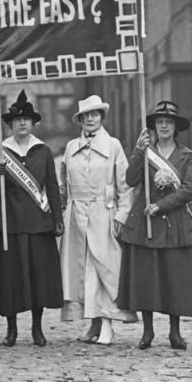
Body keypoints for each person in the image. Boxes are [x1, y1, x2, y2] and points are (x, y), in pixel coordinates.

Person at [117, 101, 192, 350]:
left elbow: (189, 189)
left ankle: (175, 332)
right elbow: (131, 179)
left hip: (174, 223)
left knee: (174, 278)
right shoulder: (145, 152)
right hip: (144, 220)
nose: (164, 125)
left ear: (175, 126)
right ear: (154, 127)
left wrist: (161, 205)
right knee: (146, 277)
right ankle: (147, 332)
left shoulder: (186, 156)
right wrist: (137, 151)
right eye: (159, 122)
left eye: (168, 122)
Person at [59, 95, 138, 346]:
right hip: (76, 215)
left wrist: (121, 215)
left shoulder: (113, 145)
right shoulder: (71, 147)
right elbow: (63, 184)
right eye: (86, 115)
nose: (90, 119)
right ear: (80, 120)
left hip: (104, 214)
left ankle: (107, 324)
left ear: (102, 118)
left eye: (95, 114)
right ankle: (93, 322)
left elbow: (126, 186)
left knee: (105, 269)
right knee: (82, 271)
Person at [0, 90, 63, 347]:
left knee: (37, 276)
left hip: (37, 222)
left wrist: (57, 217)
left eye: (27, 120)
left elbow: (51, 186)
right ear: (10, 124)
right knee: (10, 277)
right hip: (10, 222)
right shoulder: (0, 151)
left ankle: (37, 328)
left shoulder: (43, 151)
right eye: (17, 120)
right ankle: (11, 329)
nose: (22, 123)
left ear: (33, 123)